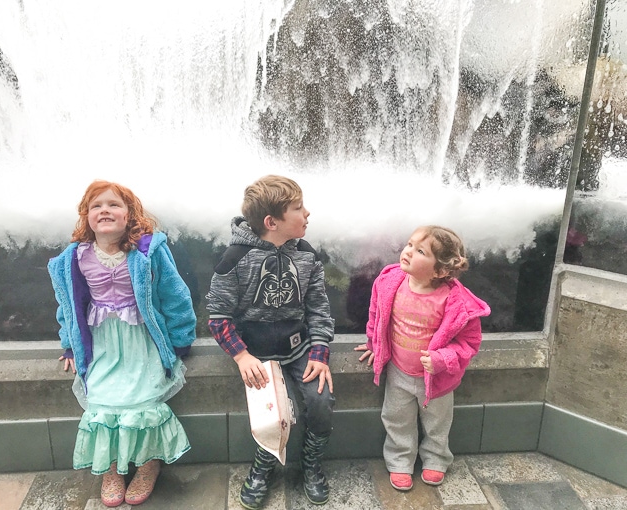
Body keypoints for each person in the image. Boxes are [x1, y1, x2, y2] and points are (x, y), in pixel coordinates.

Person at [48, 180, 196, 507]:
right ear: (86, 216)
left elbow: (176, 296)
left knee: (144, 399)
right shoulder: (76, 257)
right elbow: (68, 307)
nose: (105, 210)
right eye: (96, 206)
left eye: (114, 204)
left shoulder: (147, 251)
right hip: (102, 342)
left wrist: (181, 340)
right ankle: (111, 468)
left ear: (129, 214)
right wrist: (70, 346)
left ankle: (148, 464)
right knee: (101, 399)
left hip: (140, 339)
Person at [206, 174, 335, 509]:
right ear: (272, 221)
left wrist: (319, 353)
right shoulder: (233, 260)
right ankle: (263, 468)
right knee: (272, 411)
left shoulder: (307, 256)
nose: (307, 213)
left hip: (299, 350)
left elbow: (319, 308)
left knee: (320, 400)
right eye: (298, 207)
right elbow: (218, 317)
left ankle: (311, 464)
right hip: (258, 354)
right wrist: (241, 356)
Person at [355, 225, 490, 491]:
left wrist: (443, 359)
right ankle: (400, 461)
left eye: (420, 251)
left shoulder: (455, 301)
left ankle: (436, 459)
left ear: (440, 271)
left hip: (437, 379)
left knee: (437, 424)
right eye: (409, 244)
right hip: (398, 372)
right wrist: (374, 343)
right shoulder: (390, 282)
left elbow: (469, 342)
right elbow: (377, 314)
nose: (407, 252)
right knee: (396, 418)